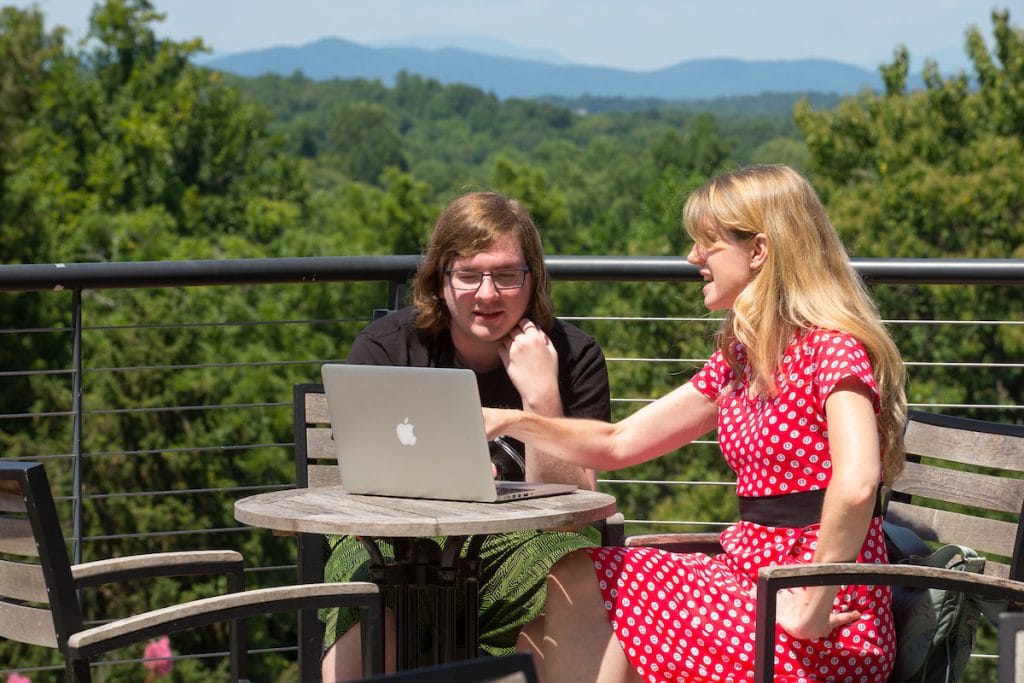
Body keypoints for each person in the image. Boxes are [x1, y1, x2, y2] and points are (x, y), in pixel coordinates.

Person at [483, 164, 908, 683]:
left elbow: (859, 480)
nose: (693, 258)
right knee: (569, 585)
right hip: (749, 578)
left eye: (708, 243)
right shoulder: (742, 359)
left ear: (759, 251)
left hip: (819, 616)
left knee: (589, 618)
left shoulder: (832, 348)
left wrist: (814, 603)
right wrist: (512, 420)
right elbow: (619, 442)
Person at [321, 191, 611, 680]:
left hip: (523, 544)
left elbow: (572, 510)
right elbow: (359, 481)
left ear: (531, 278)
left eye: (504, 275)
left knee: (572, 574)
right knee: (362, 584)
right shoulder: (386, 348)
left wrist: (540, 397)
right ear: (441, 280)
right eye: (469, 275)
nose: (487, 294)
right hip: (391, 538)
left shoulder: (572, 355)